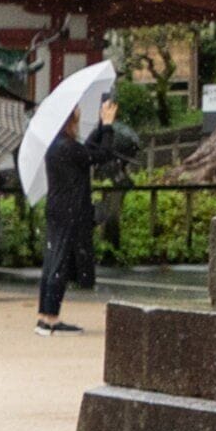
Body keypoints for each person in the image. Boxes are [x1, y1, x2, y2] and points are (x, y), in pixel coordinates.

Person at [36, 101, 139, 333]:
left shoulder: (58, 146)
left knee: (52, 260)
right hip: (69, 210)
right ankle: (51, 318)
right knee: (59, 263)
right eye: (76, 117)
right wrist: (109, 126)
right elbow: (100, 155)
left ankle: (44, 315)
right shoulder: (68, 147)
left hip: (57, 208)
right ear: (69, 121)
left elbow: (88, 151)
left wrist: (103, 125)